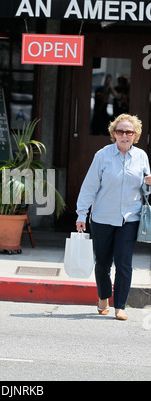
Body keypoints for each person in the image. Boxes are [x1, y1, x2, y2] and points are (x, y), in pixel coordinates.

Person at [76, 114, 151, 321]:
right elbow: (90, 185)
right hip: (102, 218)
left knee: (124, 263)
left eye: (129, 132)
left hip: (129, 218)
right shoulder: (102, 155)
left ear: (135, 135)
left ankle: (120, 306)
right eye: (120, 131)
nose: (124, 135)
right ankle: (103, 297)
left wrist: (149, 184)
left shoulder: (142, 157)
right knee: (102, 263)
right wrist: (82, 213)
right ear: (114, 134)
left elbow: (146, 191)